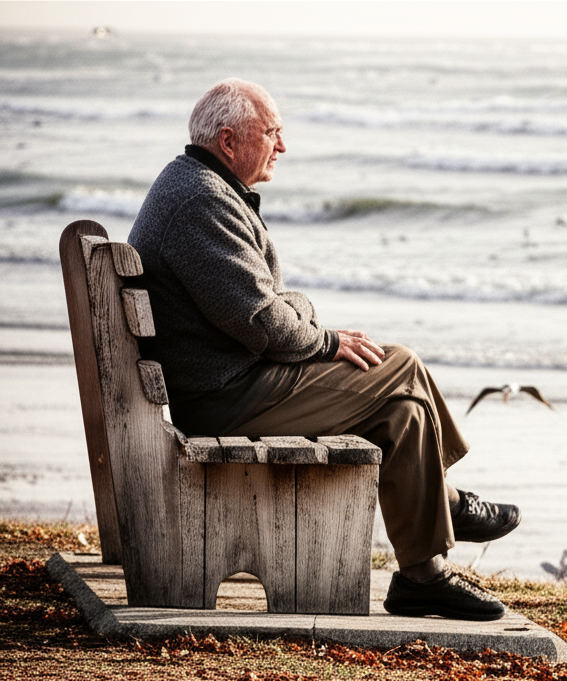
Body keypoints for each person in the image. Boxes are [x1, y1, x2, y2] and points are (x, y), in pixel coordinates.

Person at [128, 78, 519, 621]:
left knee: (401, 413)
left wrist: (300, 312)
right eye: (273, 133)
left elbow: (269, 305)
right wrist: (328, 338)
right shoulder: (200, 202)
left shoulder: (199, 188)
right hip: (225, 397)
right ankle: (450, 503)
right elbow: (265, 324)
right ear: (228, 140)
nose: (282, 146)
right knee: (400, 362)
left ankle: (421, 579)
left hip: (229, 381)